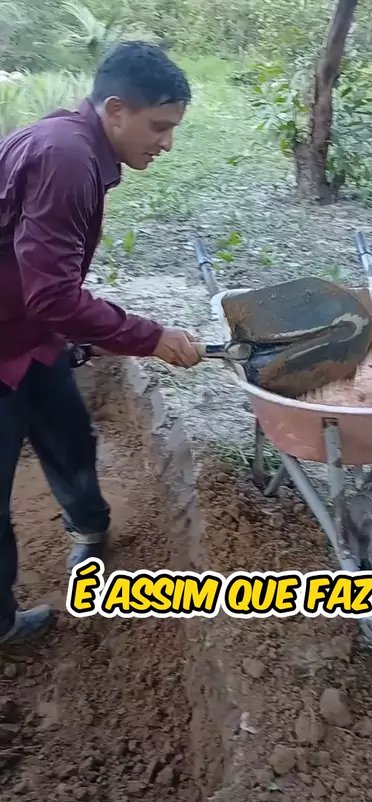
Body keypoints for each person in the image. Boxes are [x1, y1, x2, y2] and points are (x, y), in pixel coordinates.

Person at [0, 41, 202, 646]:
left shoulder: (73, 141)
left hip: (30, 335)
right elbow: (52, 295)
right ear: (115, 110)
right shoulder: (65, 157)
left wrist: (79, 332)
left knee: (68, 437)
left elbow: (40, 282)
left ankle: (88, 531)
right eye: (159, 126)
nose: (167, 143)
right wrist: (150, 337)